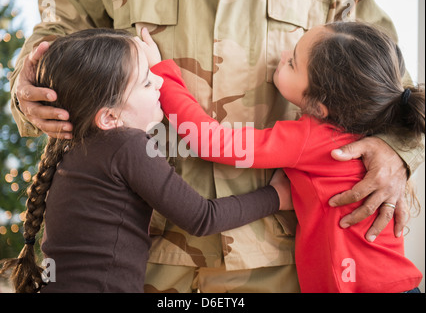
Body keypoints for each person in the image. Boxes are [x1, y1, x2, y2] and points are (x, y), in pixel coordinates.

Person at [10, 0, 424, 292]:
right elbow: (57, 33)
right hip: (143, 258)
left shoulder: (305, 138)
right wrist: (28, 88)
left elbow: (388, 81)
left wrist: (398, 151)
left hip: (282, 264)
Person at [0, 28, 294, 293]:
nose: (159, 83)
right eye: (146, 82)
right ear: (110, 116)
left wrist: (147, 68)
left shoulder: (77, 144)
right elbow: (202, 218)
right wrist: (276, 196)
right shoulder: (127, 146)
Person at [140, 22, 424, 293]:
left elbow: (211, 142)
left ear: (319, 105)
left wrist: (161, 76)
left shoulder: (313, 139)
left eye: (292, 62)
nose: (283, 54)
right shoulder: (370, 124)